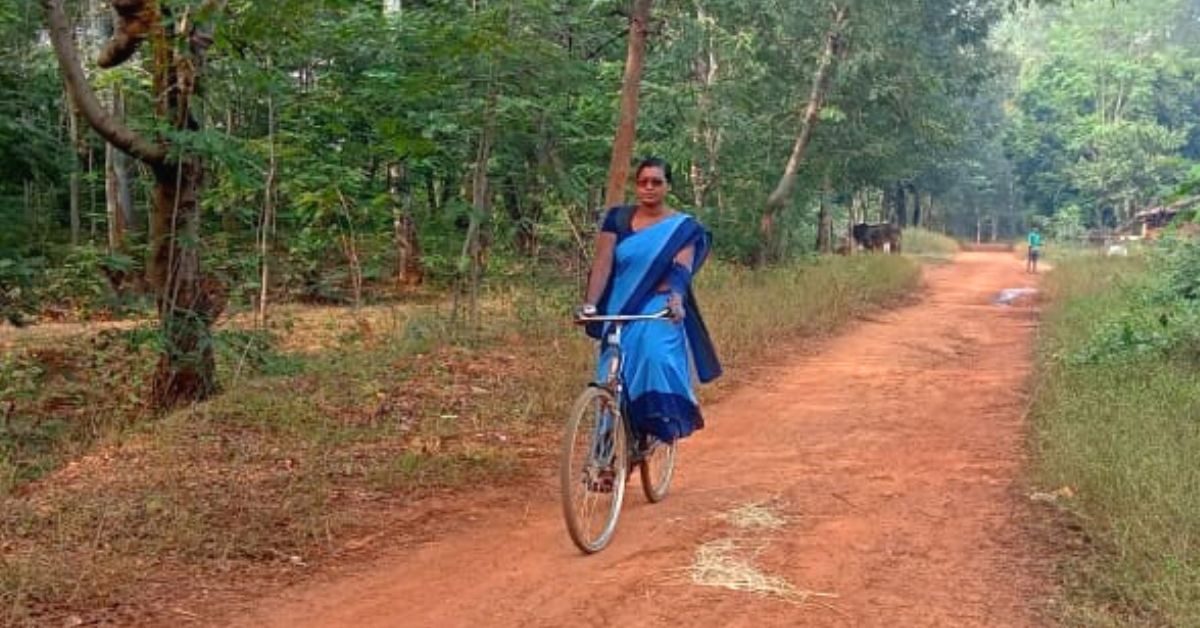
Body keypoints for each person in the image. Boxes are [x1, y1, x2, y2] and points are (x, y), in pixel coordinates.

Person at [577, 157, 722, 447]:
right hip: (619, 307)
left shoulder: (682, 227)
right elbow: (603, 263)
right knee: (609, 374)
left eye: (656, 182)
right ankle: (604, 451)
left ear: (668, 186)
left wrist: (677, 301)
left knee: (655, 356)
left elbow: (681, 270)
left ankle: (651, 427)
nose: (649, 188)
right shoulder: (616, 219)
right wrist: (590, 305)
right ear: (636, 186)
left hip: (659, 306)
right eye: (643, 182)